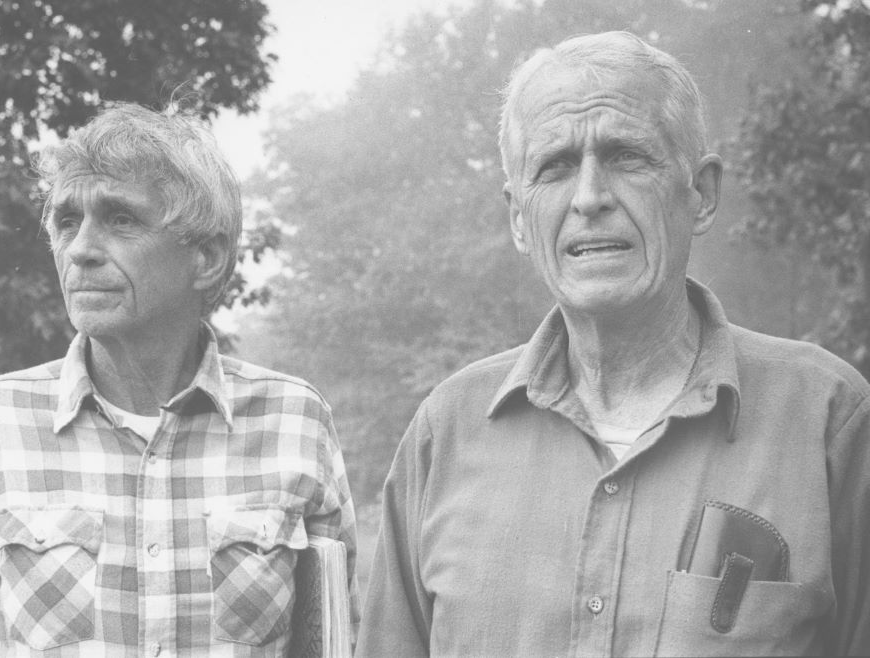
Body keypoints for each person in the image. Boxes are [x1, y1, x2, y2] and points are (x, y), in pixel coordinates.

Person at [356, 31, 870, 657]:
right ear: (520, 218)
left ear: (701, 194)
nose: (590, 197)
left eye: (627, 156)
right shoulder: (447, 432)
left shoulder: (830, 421)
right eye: (556, 167)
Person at [0, 102, 359, 656]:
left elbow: (342, 641)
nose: (81, 250)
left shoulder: (295, 421)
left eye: (121, 219)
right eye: (66, 222)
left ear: (208, 257)